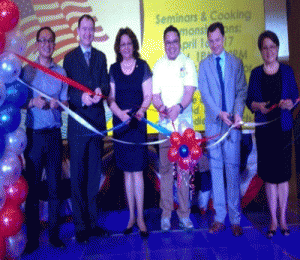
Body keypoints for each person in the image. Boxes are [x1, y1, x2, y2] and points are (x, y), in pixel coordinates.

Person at [246, 31, 298, 238]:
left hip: (283, 130)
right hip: (266, 131)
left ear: (277, 48)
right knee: (269, 177)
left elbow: (295, 96)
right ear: (260, 51)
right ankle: (273, 221)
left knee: (283, 177)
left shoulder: (286, 71)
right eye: (265, 48)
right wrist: (258, 106)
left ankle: (283, 218)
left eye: (272, 47)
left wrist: (289, 104)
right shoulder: (256, 73)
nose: (269, 51)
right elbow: (250, 101)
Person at [63, 14, 110, 243]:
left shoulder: (101, 57)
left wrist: (101, 91)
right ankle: (80, 226)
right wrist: (81, 97)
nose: (88, 32)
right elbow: (67, 91)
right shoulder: (69, 58)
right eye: (84, 29)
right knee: (78, 177)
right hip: (78, 127)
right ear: (78, 31)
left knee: (93, 178)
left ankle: (92, 223)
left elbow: (104, 83)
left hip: (97, 126)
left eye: (91, 29)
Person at [22, 26, 68, 254]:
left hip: (54, 136)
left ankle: (54, 236)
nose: (47, 44)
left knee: (54, 188)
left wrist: (60, 104)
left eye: (51, 41)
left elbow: (67, 103)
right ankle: (31, 240)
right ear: (37, 43)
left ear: (54, 44)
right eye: (43, 40)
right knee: (32, 189)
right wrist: (32, 103)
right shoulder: (27, 71)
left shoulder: (61, 72)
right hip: (34, 137)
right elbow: (18, 100)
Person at [198, 22, 247, 236]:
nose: (214, 44)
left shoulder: (236, 62)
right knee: (216, 171)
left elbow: (241, 91)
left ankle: (235, 218)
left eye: (218, 40)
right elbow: (205, 94)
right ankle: (219, 217)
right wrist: (219, 112)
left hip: (233, 127)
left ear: (224, 38)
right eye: (211, 41)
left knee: (233, 171)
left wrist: (236, 113)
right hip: (214, 126)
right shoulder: (204, 65)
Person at [108, 27, 152, 238]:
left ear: (134, 45)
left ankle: (141, 219)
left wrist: (140, 112)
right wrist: (120, 114)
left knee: (138, 172)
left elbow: (148, 95)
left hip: (137, 124)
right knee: (127, 173)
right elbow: (110, 99)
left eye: (129, 43)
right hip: (121, 126)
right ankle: (131, 217)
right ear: (118, 47)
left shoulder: (142, 66)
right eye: (122, 44)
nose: (126, 47)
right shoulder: (113, 69)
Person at [152, 25, 197, 231]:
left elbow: (189, 92)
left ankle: (185, 214)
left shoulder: (188, 63)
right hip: (164, 128)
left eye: (174, 41)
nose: (171, 45)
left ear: (179, 42)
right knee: (166, 171)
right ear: (164, 43)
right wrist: (161, 108)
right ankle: (166, 214)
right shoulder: (159, 65)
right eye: (168, 42)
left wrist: (178, 108)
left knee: (184, 173)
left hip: (184, 128)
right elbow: (154, 96)